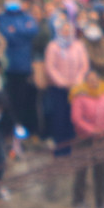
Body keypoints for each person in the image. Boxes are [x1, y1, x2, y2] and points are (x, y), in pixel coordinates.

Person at [69, 68, 104, 208]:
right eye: (90, 80)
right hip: (84, 138)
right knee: (81, 169)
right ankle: (78, 200)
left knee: (101, 169)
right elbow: (76, 118)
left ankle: (101, 201)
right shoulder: (79, 96)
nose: (93, 83)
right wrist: (91, 130)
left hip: (101, 137)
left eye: (95, 80)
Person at [0, 0, 39, 135]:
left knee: (21, 99)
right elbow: (3, 35)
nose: (12, 1)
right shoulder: (0, 18)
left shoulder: (27, 17)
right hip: (6, 66)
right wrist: (18, 34)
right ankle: (7, 129)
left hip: (23, 66)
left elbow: (32, 31)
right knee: (6, 98)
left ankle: (19, 128)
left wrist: (13, 32)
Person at [42, 17, 88, 154]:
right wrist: (63, 82)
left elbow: (84, 65)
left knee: (72, 117)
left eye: (69, 29)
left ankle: (71, 146)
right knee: (59, 118)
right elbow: (50, 67)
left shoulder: (78, 45)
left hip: (76, 88)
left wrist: (77, 81)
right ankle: (61, 148)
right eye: (64, 29)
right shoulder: (53, 46)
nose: (67, 32)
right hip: (58, 89)